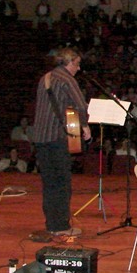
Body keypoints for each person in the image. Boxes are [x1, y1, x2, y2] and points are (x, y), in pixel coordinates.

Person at [32, 48, 92, 238]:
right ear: (69, 63)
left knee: (49, 183)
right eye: (77, 64)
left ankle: (52, 224)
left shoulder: (46, 78)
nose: (79, 68)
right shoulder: (66, 79)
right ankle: (61, 226)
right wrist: (84, 125)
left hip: (41, 137)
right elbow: (81, 105)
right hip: (57, 137)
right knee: (62, 183)